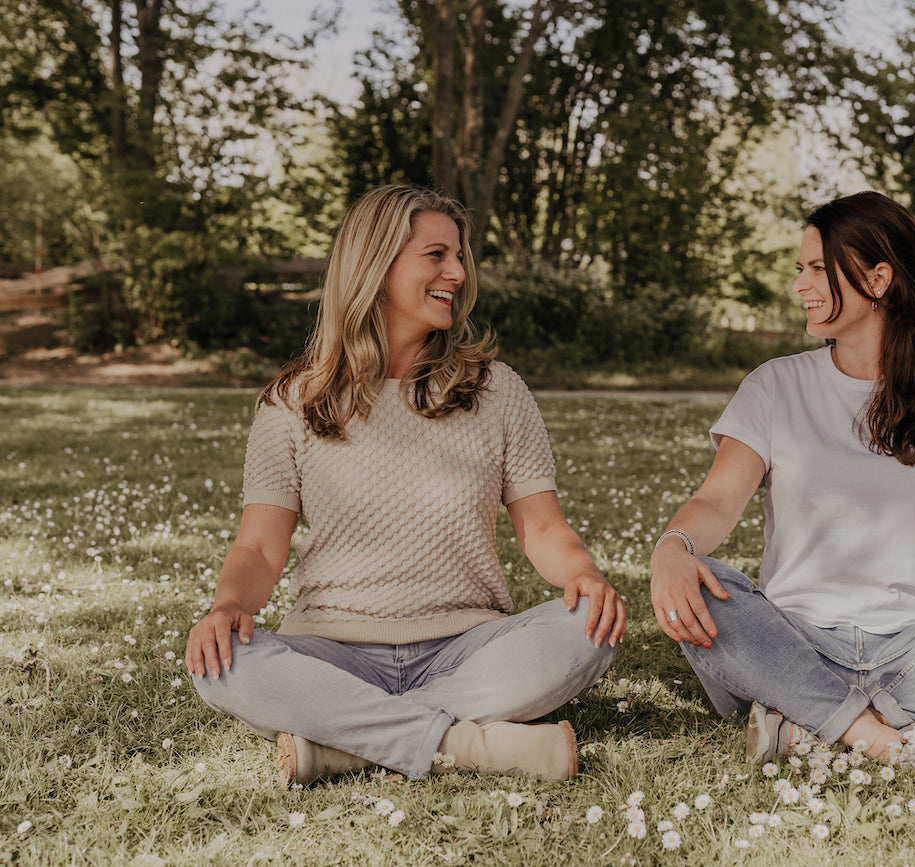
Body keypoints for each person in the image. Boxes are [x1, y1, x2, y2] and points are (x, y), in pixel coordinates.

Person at [186, 184, 625, 787]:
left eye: (460, 256)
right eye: (436, 255)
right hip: (331, 649)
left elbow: (544, 528)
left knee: (587, 630)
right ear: (376, 265)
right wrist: (229, 607)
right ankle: (461, 743)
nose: (458, 273)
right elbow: (260, 546)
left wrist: (584, 575)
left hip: (467, 645)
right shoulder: (292, 402)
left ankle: (348, 744)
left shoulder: (498, 390)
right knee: (222, 663)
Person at [649, 191, 915, 781]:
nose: (799, 285)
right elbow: (716, 501)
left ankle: (807, 723)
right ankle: (894, 737)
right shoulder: (774, 386)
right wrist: (673, 547)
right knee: (703, 584)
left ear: (878, 279)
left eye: (816, 268)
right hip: (792, 643)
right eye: (799, 268)